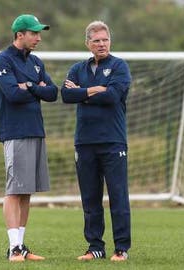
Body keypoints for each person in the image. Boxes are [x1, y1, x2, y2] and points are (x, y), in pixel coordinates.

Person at [61, 21, 131, 262]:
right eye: (97, 40)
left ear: (110, 41)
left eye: (105, 40)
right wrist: (93, 90)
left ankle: (121, 248)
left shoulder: (120, 66)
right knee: (90, 199)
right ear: (87, 44)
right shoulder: (77, 69)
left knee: (118, 197)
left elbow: (112, 96)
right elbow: (66, 95)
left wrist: (83, 92)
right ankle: (95, 247)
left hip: (113, 141)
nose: (102, 44)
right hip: (85, 142)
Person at [0, 14, 58, 262]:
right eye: (34, 33)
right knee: (14, 190)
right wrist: (34, 87)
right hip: (15, 132)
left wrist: (28, 86)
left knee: (27, 191)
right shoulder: (1, 60)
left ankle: (20, 246)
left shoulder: (37, 62)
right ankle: (13, 248)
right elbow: (11, 94)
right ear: (20, 35)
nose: (39, 38)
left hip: (36, 130)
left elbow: (52, 92)